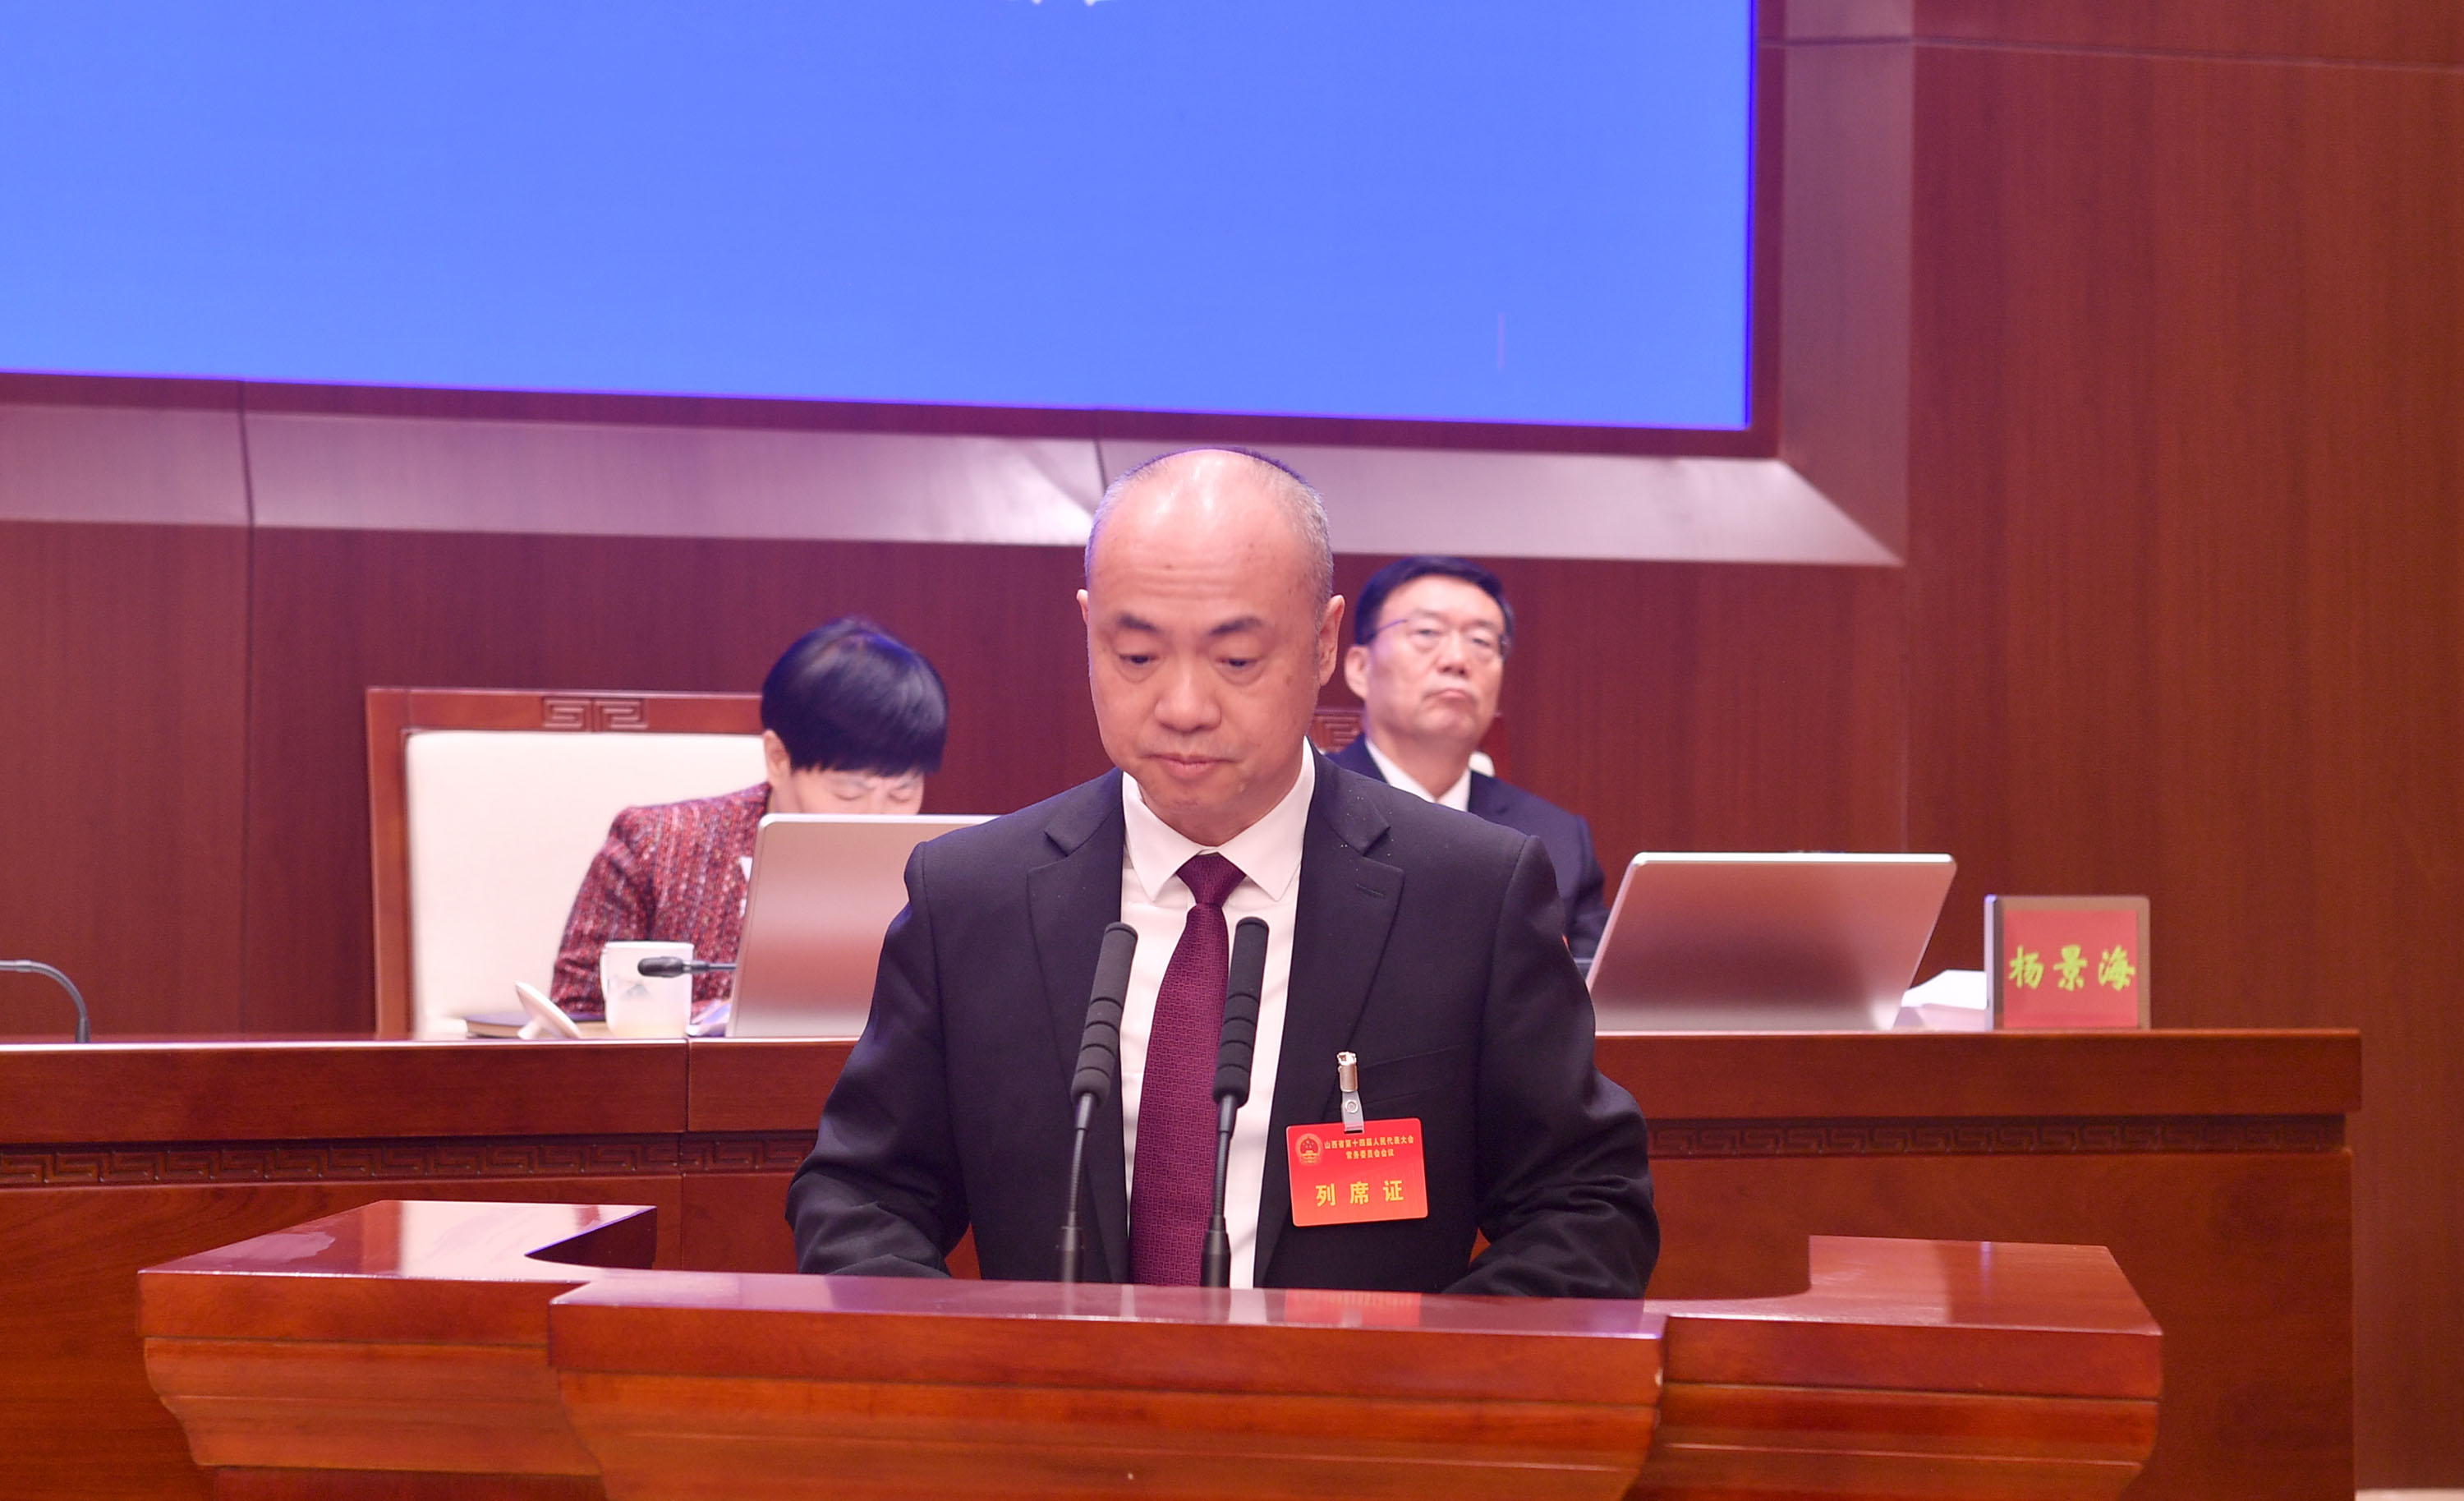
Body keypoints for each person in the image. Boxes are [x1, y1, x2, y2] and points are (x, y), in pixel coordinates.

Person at [788, 449, 1655, 1296]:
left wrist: (1415, 1371)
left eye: (1236, 661)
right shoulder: (973, 896)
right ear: (1088, 630)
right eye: (1137, 657)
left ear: (1324, 642)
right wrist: (972, 1364)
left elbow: (1586, 1207)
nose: (1184, 707)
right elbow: (863, 1197)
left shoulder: (1469, 894)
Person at [549, 617, 949, 1024]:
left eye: (902, 792)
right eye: (849, 792)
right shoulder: (654, 846)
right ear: (778, 759)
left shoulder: (942, 872)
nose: (876, 816)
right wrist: (714, 1017)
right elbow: (575, 1016)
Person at [1329, 556, 1611, 963]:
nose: (1457, 660)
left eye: (1481, 641)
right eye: (1427, 633)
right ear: (1360, 668)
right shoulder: (1311, 808)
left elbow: (1598, 993)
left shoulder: (1557, 838)